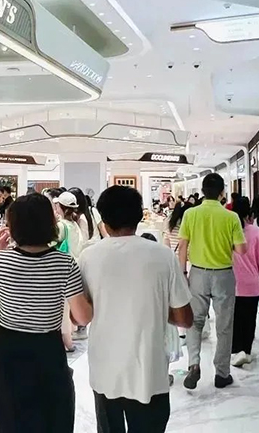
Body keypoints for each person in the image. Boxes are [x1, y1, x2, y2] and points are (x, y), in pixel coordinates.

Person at [0, 193, 92, 432]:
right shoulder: (65, 263)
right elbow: (83, 317)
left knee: (9, 419)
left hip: (8, 350)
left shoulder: (1, 261)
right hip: (47, 350)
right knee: (52, 418)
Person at [79, 185, 192, 432]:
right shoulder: (163, 256)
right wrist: (156, 307)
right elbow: (185, 319)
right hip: (149, 369)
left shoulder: (89, 257)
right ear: (139, 216)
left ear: (104, 221)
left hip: (105, 368)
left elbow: (80, 316)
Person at [179, 173, 246, 389]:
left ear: (202, 191)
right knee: (224, 324)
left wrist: (183, 273)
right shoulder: (231, 217)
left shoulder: (190, 214)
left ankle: (194, 364)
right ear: (222, 192)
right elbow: (241, 250)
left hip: (198, 273)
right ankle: (222, 373)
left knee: (195, 321)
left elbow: (183, 246)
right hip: (223, 274)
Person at [230, 197, 259, 367]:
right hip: (252, 284)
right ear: (250, 214)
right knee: (249, 318)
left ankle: (236, 350)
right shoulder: (257, 232)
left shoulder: (228, 230)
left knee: (234, 318)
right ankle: (246, 351)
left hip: (230, 283)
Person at [53, 191, 85, 348]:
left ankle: (68, 343)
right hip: (75, 268)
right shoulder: (75, 225)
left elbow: (52, 243)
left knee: (63, 310)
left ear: (61, 207)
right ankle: (69, 339)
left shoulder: (61, 226)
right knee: (69, 306)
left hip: (62, 270)